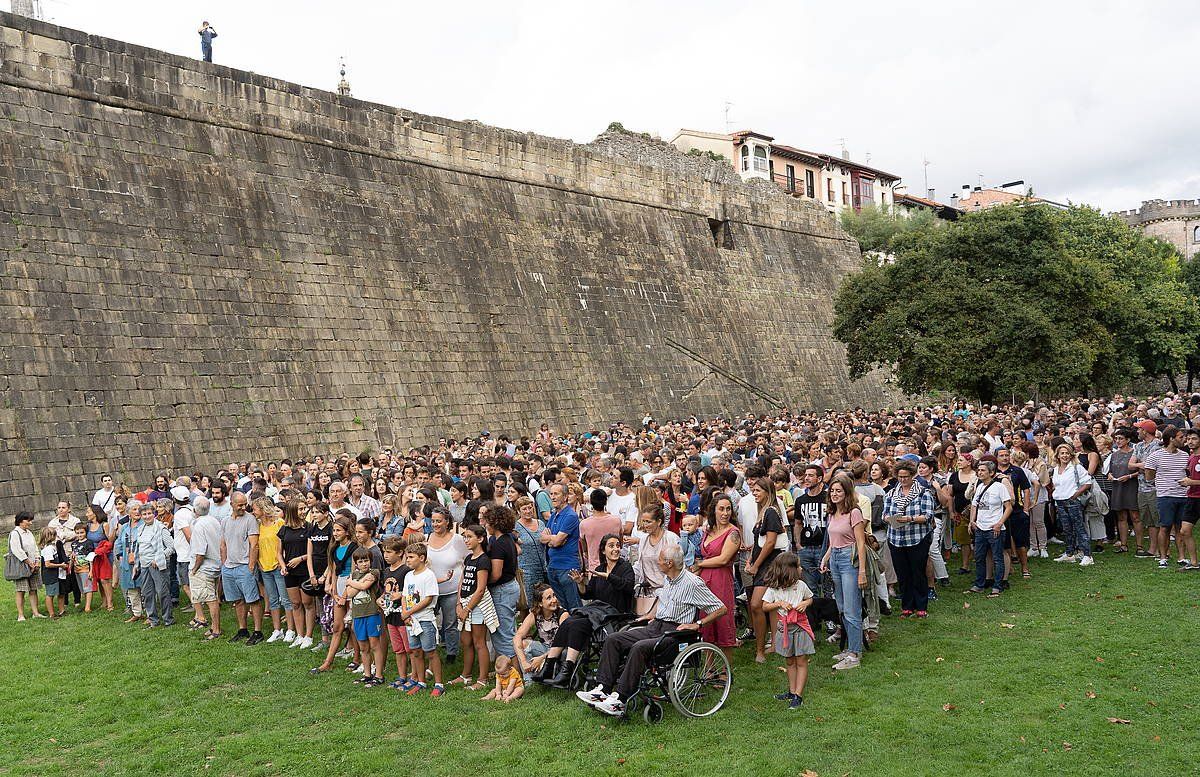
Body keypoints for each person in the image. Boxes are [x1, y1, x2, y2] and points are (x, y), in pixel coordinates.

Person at [576, 542, 726, 717]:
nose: (657, 561)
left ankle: (620, 699)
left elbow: (721, 608)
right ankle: (602, 689)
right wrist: (649, 614)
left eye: (660, 559)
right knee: (614, 639)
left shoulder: (693, 583)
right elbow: (665, 601)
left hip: (676, 634)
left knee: (639, 647)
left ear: (670, 563)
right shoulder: (668, 579)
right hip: (656, 625)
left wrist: (698, 624)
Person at [538, 534, 635, 688]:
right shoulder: (599, 569)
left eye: (618, 545)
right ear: (603, 550)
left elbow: (628, 586)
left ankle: (566, 670)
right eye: (611, 546)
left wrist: (609, 577)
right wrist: (580, 583)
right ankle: (549, 667)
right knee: (570, 621)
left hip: (615, 614)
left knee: (578, 624)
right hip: (597, 612)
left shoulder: (625, 567)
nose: (616, 549)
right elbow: (588, 593)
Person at [820, 474, 867, 669]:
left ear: (847, 492)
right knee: (841, 607)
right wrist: (825, 558)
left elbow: (861, 543)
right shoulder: (832, 513)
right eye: (832, 491)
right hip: (836, 559)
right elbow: (833, 542)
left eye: (838, 490)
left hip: (850, 560)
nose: (834, 494)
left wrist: (862, 571)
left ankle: (855, 653)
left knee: (851, 609)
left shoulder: (854, 513)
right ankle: (849, 648)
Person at [759, 552, 815, 709]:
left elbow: (810, 598)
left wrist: (806, 603)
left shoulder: (801, 586)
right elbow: (764, 605)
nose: (801, 568)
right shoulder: (774, 589)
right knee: (789, 660)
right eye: (798, 566)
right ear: (789, 570)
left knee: (801, 660)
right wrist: (779, 604)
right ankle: (791, 691)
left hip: (800, 628)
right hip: (784, 629)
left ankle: (798, 695)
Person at [883, 460, 936, 618]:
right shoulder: (891, 493)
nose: (903, 479)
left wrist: (909, 519)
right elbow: (883, 515)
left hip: (917, 537)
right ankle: (907, 606)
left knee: (917, 572)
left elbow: (927, 515)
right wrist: (891, 519)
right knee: (902, 574)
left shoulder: (923, 492)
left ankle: (921, 605)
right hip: (896, 538)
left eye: (906, 477)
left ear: (912, 476)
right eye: (900, 477)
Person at [692, 493, 740, 657]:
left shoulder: (733, 532)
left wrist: (699, 564)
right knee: (707, 622)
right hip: (704, 580)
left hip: (721, 580)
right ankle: (709, 669)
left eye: (728, 509)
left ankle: (725, 672)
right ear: (714, 511)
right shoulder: (708, 530)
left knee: (722, 621)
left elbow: (723, 559)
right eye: (721, 509)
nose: (725, 513)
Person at [745, 477, 786, 662]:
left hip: (769, 565)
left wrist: (756, 565)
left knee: (757, 604)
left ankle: (760, 649)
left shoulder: (770, 512)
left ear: (767, 493)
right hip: (761, 564)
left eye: (757, 490)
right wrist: (750, 561)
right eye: (753, 490)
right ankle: (775, 645)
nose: (754, 493)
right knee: (770, 605)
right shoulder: (762, 512)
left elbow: (770, 542)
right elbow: (758, 543)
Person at [399, 542, 445, 697]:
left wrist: (409, 612)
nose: (408, 560)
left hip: (425, 619)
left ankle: (439, 684)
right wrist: (405, 611)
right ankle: (421, 681)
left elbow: (427, 599)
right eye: (407, 557)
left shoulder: (428, 575)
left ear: (422, 558)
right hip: (411, 620)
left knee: (430, 651)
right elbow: (405, 595)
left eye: (411, 557)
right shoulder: (408, 575)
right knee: (416, 651)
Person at [1143, 425, 1191, 570]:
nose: (1184, 440)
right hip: (1165, 496)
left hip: (1183, 496)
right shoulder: (1156, 455)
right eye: (1181, 437)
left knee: (1180, 528)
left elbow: (1188, 474)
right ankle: (1163, 557)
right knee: (1165, 527)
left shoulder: (1185, 455)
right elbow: (1148, 476)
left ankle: (1181, 557)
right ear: (1171, 439)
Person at [221, 492, 265, 644]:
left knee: (253, 600)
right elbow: (223, 544)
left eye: (244, 504)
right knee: (238, 600)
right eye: (239, 504)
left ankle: (258, 632)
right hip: (229, 567)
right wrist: (224, 564)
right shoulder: (225, 521)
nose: (242, 507)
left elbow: (255, 545)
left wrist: (251, 565)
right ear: (231, 504)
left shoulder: (250, 520)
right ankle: (242, 629)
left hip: (244, 566)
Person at [453, 524, 493, 690]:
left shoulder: (484, 560)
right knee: (466, 641)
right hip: (464, 604)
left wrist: (467, 609)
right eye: (465, 537)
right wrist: (458, 603)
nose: (466, 540)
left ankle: (483, 679)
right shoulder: (469, 558)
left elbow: (481, 588)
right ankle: (466, 675)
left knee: (479, 642)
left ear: (481, 539)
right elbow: (462, 581)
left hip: (476, 606)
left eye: (469, 537)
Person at [426, 506, 467, 662]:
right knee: (430, 621)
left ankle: (452, 652)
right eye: (433, 521)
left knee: (450, 622)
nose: (435, 524)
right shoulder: (428, 538)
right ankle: (429, 649)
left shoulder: (457, 539)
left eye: (439, 521)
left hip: (452, 589)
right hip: (431, 590)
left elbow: (468, 559)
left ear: (447, 522)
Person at [967, 460, 1012, 597]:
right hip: (980, 528)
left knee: (997, 557)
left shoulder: (999, 487)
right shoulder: (979, 487)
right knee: (979, 557)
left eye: (983, 470)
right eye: (978, 470)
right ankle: (979, 584)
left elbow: (1008, 507)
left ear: (991, 473)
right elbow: (974, 505)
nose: (979, 472)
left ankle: (997, 586)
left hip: (994, 528)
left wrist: (999, 523)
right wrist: (971, 521)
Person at [484, 504, 520, 664]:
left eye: (487, 522)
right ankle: (505, 667)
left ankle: (516, 672)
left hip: (502, 591)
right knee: (509, 629)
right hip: (510, 587)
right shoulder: (507, 539)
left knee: (503, 634)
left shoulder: (499, 544)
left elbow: (496, 574)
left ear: (495, 523)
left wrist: (483, 583)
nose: (485, 525)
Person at [377, 536, 414, 690]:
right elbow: (386, 591)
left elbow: (412, 590)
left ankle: (415, 676)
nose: (386, 555)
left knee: (410, 648)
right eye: (384, 552)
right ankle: (402, 676)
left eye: (389, 552)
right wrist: (379, 599)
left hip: (403, 615)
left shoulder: (406, 571)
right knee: (398, 649)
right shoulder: (385, 571)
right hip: (390, 615)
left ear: (400, 553)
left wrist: (402, 595)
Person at [343, 548, 383, 687]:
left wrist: (350, 582)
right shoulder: (354, 574)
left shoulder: (374, 572)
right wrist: (355, 584)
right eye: (361, 561)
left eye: (366, 560)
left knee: (375, 645)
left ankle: (379, 675)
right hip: (358, 615)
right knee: (363, 647)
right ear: (356, 563)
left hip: (372, 613)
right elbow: (349, 594)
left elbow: (365, 585)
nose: (364, 564)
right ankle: (367, 674)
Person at [1050, 443, 1094, 566]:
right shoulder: (1055, 469)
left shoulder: (1077, 467)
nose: (1065, 455)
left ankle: (1087, 555)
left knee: (1079, 528)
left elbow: (1087, 482)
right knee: (1067, 529)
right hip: (1060, 501)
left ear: (1071, 454)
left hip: (1073, 501)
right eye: (1062, 453)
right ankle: (1069, 554)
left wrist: (1076, 494)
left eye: (1067, 453)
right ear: (1058, 455)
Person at [542, 482, 583, 611]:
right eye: (551, 494)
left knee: (574, 607)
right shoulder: (554, 515)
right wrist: (552, 539)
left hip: (567, 568)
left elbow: (557, 541)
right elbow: (542, 538)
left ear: (565, 497)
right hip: (552, 566)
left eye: (556, 494)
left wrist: (554, 539)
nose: (553, 497)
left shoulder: (570, 515)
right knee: (561, 608)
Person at [514, 583, 567, 681]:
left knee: (561, 652)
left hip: (561, 650)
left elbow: (562, 644)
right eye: (549, 598)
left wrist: (541, 658)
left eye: (554, 596)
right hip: (545, 648)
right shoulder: (535, 615)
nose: (554, 600)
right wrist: (524, 661)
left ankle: (546, 670)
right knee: (523, 643)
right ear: (540, 603)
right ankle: (529, 681)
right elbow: (517, 637)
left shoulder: (563, 614)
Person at [278, 499, 312, 648]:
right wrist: (282, 565)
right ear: (293, 512)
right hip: (290, 571)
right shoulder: (284, 530)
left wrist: (301, 558)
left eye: (304, 508)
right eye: (300, 509)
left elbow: (314, 551)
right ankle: (299, 634)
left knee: (307, 603)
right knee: (296, 603)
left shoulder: (309, 528)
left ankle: (309, 636)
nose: (304, 511)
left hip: (305, 570)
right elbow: (278, 553)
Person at [134, 500, 173, 628]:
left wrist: (159, 558)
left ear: (154, 513)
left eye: (149, 513)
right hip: (144, 565)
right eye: (144, 514)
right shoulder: (140, 529)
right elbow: (139, 548)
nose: (147, 516)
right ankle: (153, 620)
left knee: (162, 592)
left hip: (157, 565)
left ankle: (168, 619)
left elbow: (171, 547)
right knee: (147, 593)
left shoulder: (161, 528)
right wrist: (136, 564)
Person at [188, 496, 223, 639]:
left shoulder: (198, 526)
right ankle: (214, 627)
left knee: (210, 599)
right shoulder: (214, 521)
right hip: (216, 565)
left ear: (195, 509)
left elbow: (200, 552)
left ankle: (216, 629)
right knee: (212, 597)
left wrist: (195, 568)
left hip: (205, 567)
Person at [8, 512, 45, 620]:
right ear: (21, 521)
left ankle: (36, 613)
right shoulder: (15, 533)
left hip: (33, 565)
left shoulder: (29, 533)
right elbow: (17, 551)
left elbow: (34, 548)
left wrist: (37, 561)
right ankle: (20, 615)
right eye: (28, 520)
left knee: (33, 590)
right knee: (21, 590)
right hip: (22, 566)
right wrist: (29, 563)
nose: (30, 523)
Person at [580, 489, 622, 572]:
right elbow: (620, 543)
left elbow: (584, 548)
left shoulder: (584, 524)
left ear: (591, 502)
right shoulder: (616, 521)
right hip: (614, 567)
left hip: (595, 569)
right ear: (606, 502)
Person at [39, 526, 69, 617]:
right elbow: (48, 564)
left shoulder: (53, 547)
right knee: (50, 594)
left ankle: (61, 611)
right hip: (50, 576)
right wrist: (61, 565)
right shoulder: (48, 549)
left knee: (61, 593)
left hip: (57, 575)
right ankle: (52, 614)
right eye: (53, 535)